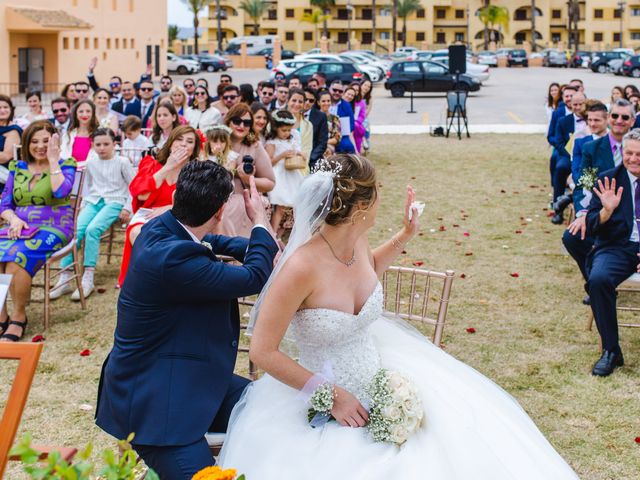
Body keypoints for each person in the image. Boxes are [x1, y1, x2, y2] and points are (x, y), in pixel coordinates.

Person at [219, 154, 580, 479]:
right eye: (376, 194)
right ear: (360, 207)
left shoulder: (355, 239)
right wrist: (331, 396)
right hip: (323, 400)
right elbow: (263, 352)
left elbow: (367, 271)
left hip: (380, 375)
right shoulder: (299, 268)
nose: (380, 203)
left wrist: (406, 234)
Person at [96, 161, 279, 479]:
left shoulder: (162, 227)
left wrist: (257, 247)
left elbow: (212, 243)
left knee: (277, 410)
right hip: (158, 407)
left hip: (192, 377)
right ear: (221, 211)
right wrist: (260, 223)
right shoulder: (171, 258)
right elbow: (252, 278)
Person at [0, 121, 77, 342]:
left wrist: (53, 161)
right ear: (27, 143)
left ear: (55, 141)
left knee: (17, 257)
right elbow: (4, 205)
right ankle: (1, 314)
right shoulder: (18, 167)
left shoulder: (66, 165)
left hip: (55, 226)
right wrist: (13, 220)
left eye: (46, 140)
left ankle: (19, 316)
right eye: (35, 141)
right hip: (18, 226)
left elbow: (61, 190)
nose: (40, 145)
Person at [50, 128, 134, 301]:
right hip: (93, 201)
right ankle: (65, 276)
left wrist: (127, 207)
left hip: (115, 201)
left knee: (93, 230)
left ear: (114, 144)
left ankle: (88, 276)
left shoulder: (123, 162)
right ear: (93, 145)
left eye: (106, 144)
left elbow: (133, 187)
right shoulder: (91, 162)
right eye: (98, 144)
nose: (102, 148)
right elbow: (88, 187)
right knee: (77, 230)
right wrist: (83, 206)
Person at [584, 129, 640, 376]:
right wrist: (607, 211)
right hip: (617, 247)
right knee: (598, 279)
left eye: (639, 154)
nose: (633, 158)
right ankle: (611, 350)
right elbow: (593, 226)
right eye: (629, 153)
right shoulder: (608, 181)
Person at [563, 99, 635, 293]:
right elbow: (584, 186)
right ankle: (595, 282)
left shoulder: (637, 149)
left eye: (625, 117)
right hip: (602, 213)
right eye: (615, 116)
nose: (619, 120)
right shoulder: (592, 149)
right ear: (609, 118)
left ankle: (603, 278)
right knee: (571, 237)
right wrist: (583, 214)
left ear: (633, 120)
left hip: (632, 218)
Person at [117, 125, 201, 287]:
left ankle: (163, 281)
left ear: (194, 148)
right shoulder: (151, 163)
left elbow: (197, 202)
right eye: (179, 139)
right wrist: (168, 167)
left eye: (189, 141)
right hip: (148, 214)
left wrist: (170, 208)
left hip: (181, 217)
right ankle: (146, 281)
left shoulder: (195, 172)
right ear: (170, 143)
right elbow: (139, 192)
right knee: (138, 233)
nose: (183, 144)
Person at [218, 104, 275, 237]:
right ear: (228, 121)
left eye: (247, 123)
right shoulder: (216, 142)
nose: (241, 126)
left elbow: (270, 182)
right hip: (216, 202)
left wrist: (248, 179)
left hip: (244, 204)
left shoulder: (255, 146)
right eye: (237, 121)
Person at [266, 110, 305, 234]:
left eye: (289, 130)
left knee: (290, 207)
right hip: (279, 176)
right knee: (280, 207)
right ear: (276, 128)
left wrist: (299, 154)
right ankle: (272, 233)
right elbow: (268, 163)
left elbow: (297, 151)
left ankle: (281, 234)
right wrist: (282, 155)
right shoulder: (272, 143)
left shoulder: (291, 140)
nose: (287, 133)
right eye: (284, 130)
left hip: (292, 175)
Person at [551, 91, 587, 224]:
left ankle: (574, 199)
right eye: (575, 104)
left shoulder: (592, 119)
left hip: (589, 157)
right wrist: (572, 155)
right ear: (570, 104)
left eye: (581, 104)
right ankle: (558, 208)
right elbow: (559, 143)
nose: (578, 107)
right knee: (560, 168)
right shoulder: (563, 121)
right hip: (569, 155)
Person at [61, 99, 99, 170]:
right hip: (71, 173)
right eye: (81, 111)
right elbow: (63, 155)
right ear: (76, 114)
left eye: (88, 111)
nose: (84, 114)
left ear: (93, 114)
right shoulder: (68, 135)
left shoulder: (98, 135)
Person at [302, 88, 328, 169]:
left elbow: (322, 142)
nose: (307, 103)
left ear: (314, 102)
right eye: (305, 99)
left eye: (311, 100)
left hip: (313, 157)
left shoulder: (321, 116)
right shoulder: (294, 113)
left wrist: (310, 158)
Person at [287, 89, 313, 165]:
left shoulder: (308, 125)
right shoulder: (276, 120)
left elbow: (307, 149)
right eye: (294, 100)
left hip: (300, 164)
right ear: (288, 101)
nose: (297, 104)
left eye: (300, 102)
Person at [329, 80, 356, 153]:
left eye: (340, 91)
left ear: (343, 93)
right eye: (334, 90)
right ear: (330, 89)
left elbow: (351, 125)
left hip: (341, 135)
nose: (337, 93)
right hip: (323, 134)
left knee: (348, 146)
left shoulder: (346, 105)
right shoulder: (324, 101)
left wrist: (338, 132)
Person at [317, 90, 341, 157]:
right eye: (323, 101)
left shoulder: (335, 118)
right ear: (318, 102)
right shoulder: (313, 117)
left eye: (328, 101)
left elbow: (337, 139)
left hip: (329, 147)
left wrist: (323, 142)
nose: (326, 103)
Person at [345, 84, 367, 154]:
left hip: (356, 124)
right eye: (354, 89)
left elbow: (362, 115)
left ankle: (357, 150)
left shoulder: (361, 102)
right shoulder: (345, 103)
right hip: (348, 126)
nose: (355, 92)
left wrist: (356, 122)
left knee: (356, 127)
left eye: (357, 90)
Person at [0, 95, 21, 166]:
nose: (2, 110)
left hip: (6, 171)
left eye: (5, 107)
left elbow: (6, 157)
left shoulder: (14, 130)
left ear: (11, 110)